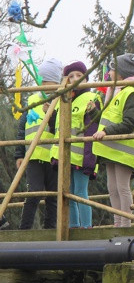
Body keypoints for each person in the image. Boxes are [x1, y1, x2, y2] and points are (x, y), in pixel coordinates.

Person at [93, 53, 134, 227]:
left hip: (124, 150)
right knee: (113, 187)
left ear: (121, 73)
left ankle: (126, 224)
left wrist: (106, 132)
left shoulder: (131, 93)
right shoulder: (116, 92)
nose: (109, 72)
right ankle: (118, 223)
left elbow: (130, 122)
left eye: (113, 69)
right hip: (111, 148)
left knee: (122, 188)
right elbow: (108, 119)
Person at [49, 61, 101, 228]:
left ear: (86, 78)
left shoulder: (92, 98)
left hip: (81, 156)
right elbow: (55, 128)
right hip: (64, 155)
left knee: (80, 192)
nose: (75, 79)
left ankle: (87, 227)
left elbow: (94, 126)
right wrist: (49, 113)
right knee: (67, 193)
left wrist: (90, 159)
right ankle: (73, 226)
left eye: (79, 75)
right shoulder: (62, 99)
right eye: (71, 76)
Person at [18, 58, 62, 229]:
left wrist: (52, 114)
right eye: (42, 80)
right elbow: (22, 129)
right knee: (34, 193)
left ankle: (50, 228)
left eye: (47, 81)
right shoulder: (32, 100)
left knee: (53, 195)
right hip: (33, 156)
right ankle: (25, 229)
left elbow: (62, 128)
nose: (43, 84)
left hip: (53, 156)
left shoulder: (60, 100)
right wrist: (19, 154)